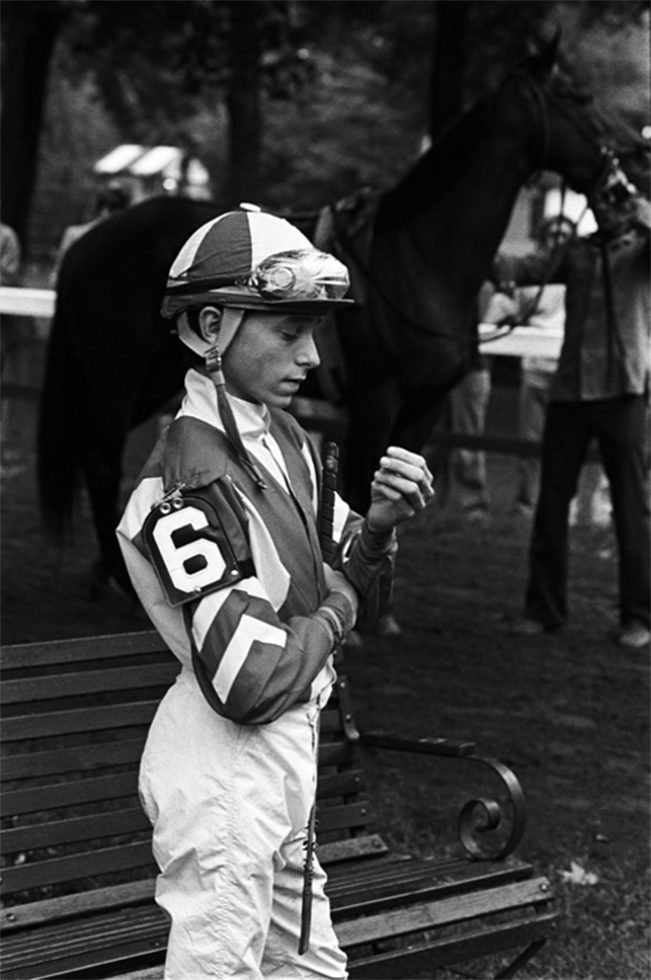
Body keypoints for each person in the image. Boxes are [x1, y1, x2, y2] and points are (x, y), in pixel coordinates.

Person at [116, 206, 434, 979]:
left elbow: (354, 569)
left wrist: (381, 527)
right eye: (287, 332)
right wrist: (336, 605)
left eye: (312, 332)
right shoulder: (186, 479)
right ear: (210, 327)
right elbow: (248, 679)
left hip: (283, 764)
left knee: (311, 967)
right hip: (228, 775)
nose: (310, 357)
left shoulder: (282, 435)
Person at [493, 183, 650, 650]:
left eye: (614, 198)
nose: (605, 204)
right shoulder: (576, 251)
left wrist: (639, 205)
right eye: (601, 198)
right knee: (551, 503)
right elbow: (525, 269)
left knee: (631, 508)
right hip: (570, 390)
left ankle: (638, 618)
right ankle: (543, 610)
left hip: (623, 392)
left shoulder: (642, 250)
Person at [50, 183, 131, 283]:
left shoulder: (126, 239)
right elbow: (59, 272)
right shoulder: (76, 235)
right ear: (104, 211)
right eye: (115, 212)